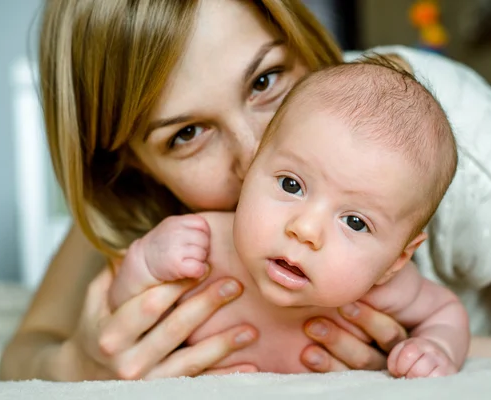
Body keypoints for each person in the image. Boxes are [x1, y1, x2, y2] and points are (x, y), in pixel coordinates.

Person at [0, 0, 491, 382]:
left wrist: (409, 357)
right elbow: (27, 350)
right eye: (187, 134)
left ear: (299, 36)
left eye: (265, 79)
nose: (254, 157)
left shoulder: (431, 139)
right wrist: (75, 363)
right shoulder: (137, 207)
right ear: (131, 166)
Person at [109, 58, 469, 378]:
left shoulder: (389, 287)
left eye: (355, 222)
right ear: (252, 167)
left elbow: (446, 314)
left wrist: (437, 348)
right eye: (291, 184)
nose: (305, 229)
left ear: (397, 259)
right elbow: (124, 306)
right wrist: (148, 259)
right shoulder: (203, 243)